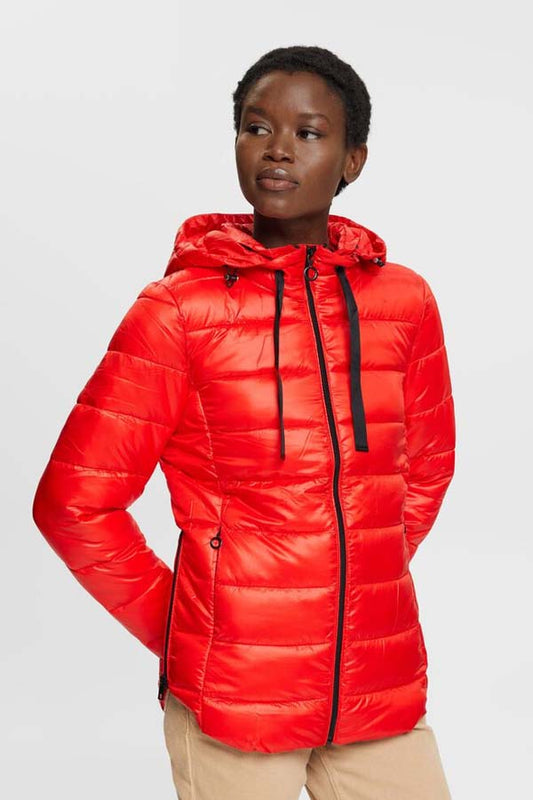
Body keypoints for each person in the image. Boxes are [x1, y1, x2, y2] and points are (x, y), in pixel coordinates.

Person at [32, 45, 456, 799]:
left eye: (308, 132)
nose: (277, 149)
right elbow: (74, 503)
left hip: (374, 687)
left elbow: (424, 468)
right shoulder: (178, 312)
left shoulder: (404, 302)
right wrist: (188, 625)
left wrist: (348, 582)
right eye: (256, 128)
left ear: (353, 159)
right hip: (232, 699)